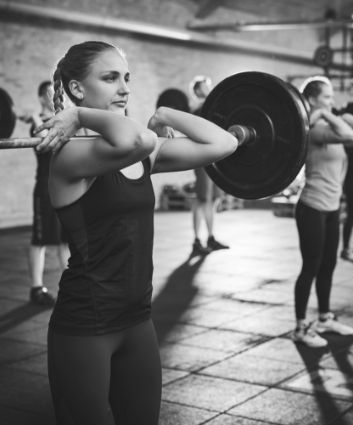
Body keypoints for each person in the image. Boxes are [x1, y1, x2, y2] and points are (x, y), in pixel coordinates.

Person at [36, 41, 237, 425]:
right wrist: (79, 116)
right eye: (110, 78)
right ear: (77, 88)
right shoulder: (69, 156)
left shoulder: (137, 154)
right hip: (85, 328)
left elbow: (223, 143)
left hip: (138, 322)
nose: (125, 88)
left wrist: (166, 113)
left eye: (127, 78)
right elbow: (138, 139)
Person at [292, 76, 353, 348]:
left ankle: (324, 318)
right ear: (314, 99)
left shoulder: (331, 127)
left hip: (331, 208)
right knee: (311, 267)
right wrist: (328, 114)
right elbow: (349, 135)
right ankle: (301, 327)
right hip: (312, 207)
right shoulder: (314, 130)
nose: (333, 101)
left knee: (328, 265)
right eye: (327, 97)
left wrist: (347, 115)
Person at [18, 80, 69, 306]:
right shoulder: (37, 123)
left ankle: (72, 285)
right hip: (44, 189)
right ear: (40, 98)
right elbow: (47, 141)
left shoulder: (62, 119)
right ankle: (36, 288)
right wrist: (34, 118)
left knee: (65, 240)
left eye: (55, 92)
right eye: (48, 93)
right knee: (40, 240)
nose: (53, 96)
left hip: (64, 187)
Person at [189, 75, 230, 255]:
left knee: (214, 199)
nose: (210, 87)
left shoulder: (213, 107)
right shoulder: (199, 108)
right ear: (198, 90)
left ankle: (211, 237)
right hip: (202, 159)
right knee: (202, 200)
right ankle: (197, 240)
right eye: (206, 85)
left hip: (215, 159)